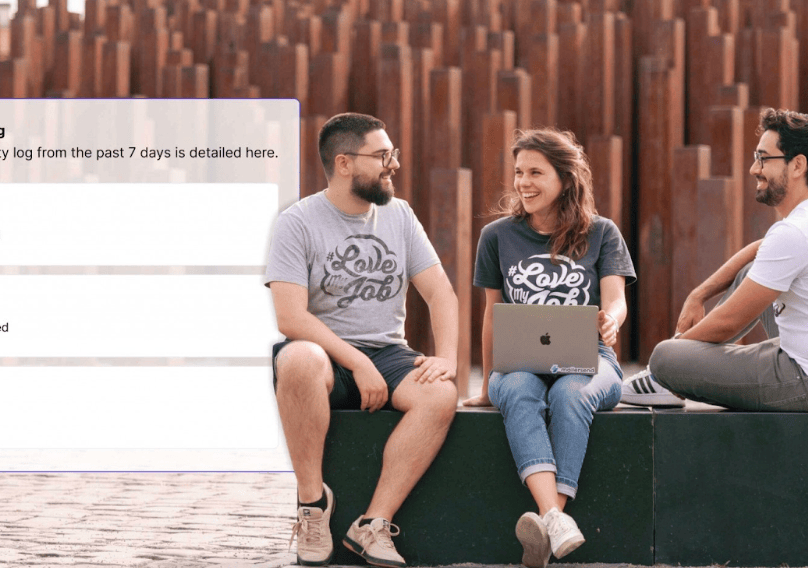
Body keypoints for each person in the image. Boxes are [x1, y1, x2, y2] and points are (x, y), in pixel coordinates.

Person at [265, 113, 459, 567]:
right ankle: (312, 508)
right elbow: (290, 317)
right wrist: (354, 361)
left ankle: (372, 525)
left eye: (393, 153)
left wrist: (447, 357)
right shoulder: (297, 222)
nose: (394, 163)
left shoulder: (399, 214)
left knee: (439, 396)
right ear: (345, 163)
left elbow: (441, 294)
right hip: (328, 355)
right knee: (298, 359)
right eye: (383, 155)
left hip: (389, 352)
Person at [621, 108, 808, 412]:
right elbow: (760, 251)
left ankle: (664, 381)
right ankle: (676, 373)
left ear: (798, 165)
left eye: (763, 158)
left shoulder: (797, 232)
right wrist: (700, 295)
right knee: (752, 271)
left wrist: (677, 356)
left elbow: (728, 322)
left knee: (665, 357)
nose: (753, 168)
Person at [460, 128, 635, 568]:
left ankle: (547, 518)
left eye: (536, 172)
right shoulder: (497, 236)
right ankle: (555, 520)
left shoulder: (602, 233)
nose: (523, 182)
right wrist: (486, 384)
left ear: (565, 178)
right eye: (519, 172)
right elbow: (491, 314)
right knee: (517, 390)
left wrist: (610, 320)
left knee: (569, 394)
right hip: (520, 361)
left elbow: (616, 298)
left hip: (591, 359)